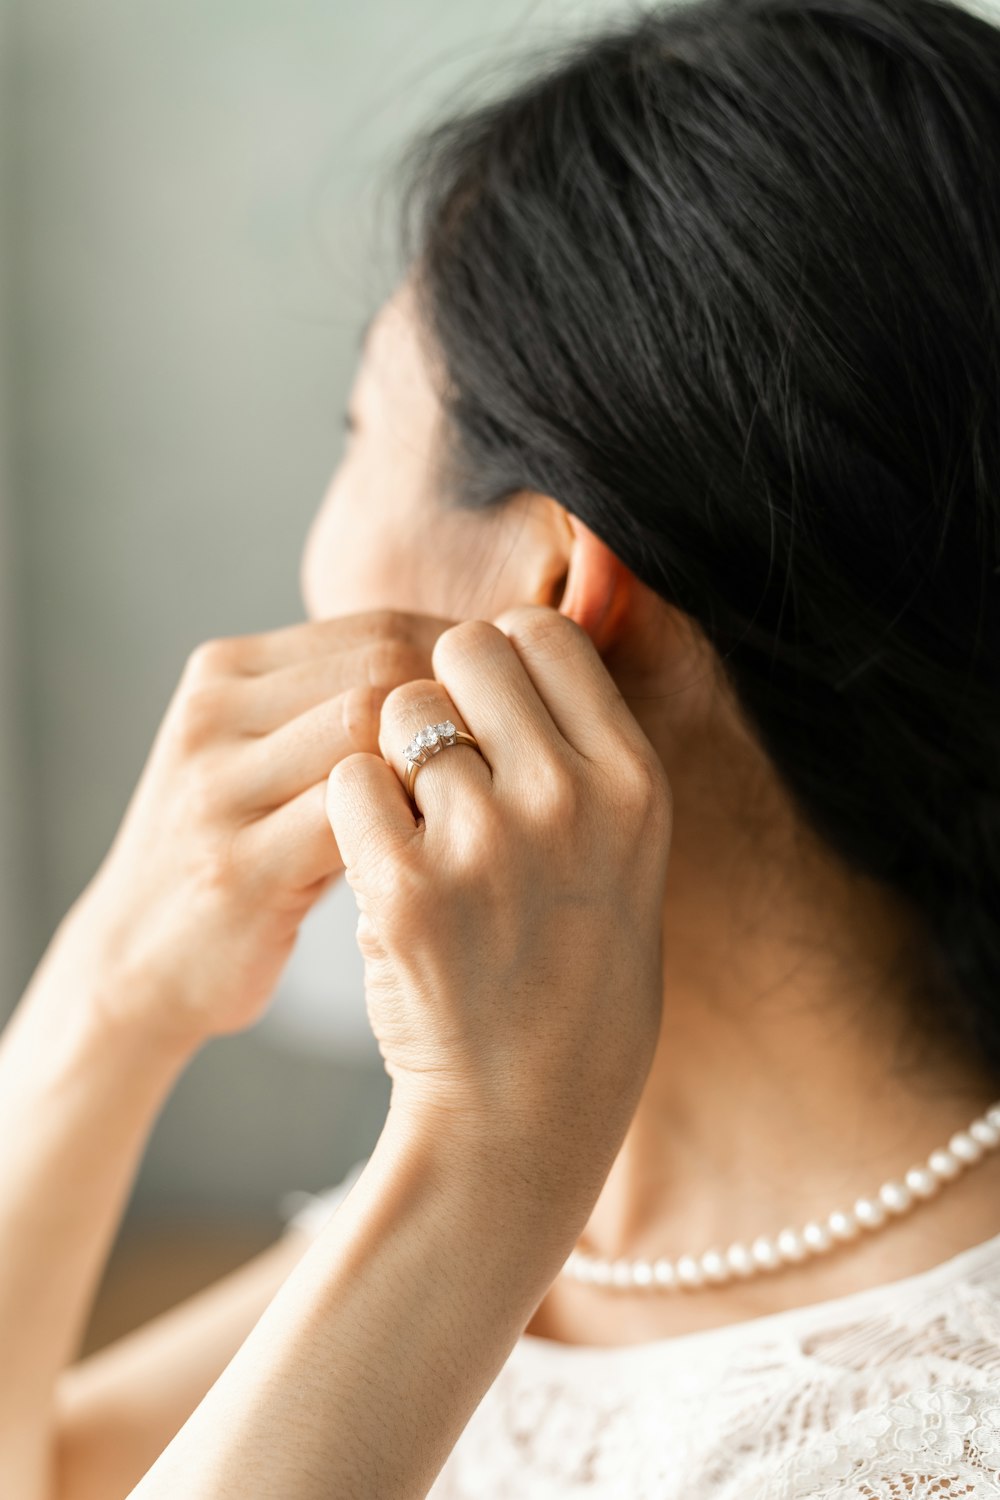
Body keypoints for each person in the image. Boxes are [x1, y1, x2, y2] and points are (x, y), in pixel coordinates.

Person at [3, 0, 1000, 1491]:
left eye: (355, 430)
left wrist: (479, 1163)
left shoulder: (928, 1429)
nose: (312, 559)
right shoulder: (567, 1204)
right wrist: (109, 997)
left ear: (550, 588)